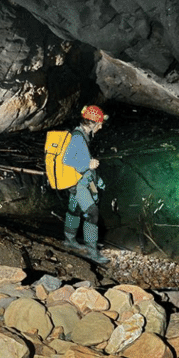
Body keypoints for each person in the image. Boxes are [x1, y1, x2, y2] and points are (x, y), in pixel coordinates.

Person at [62, 105, 108, 263]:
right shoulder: (77, 137)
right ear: (92, 123)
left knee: (74, 210)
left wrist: (98, 180)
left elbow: (81, 161)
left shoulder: (83, 135)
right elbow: (67, 160)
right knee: (92, 214)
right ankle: (91, 251)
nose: (101, 127)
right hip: (79, 184)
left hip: (79, 181)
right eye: (99, 123)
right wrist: (88, 163)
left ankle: (69, 240)